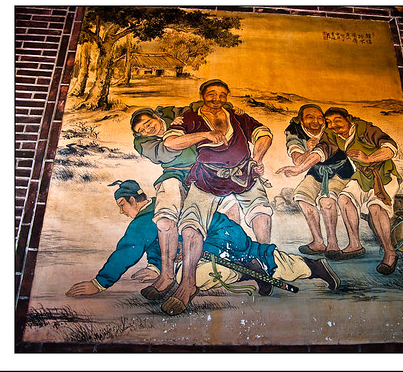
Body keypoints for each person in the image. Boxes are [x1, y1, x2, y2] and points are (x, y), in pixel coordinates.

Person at [65, 180, 341, 310]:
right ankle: (249, 268)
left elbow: (128, 250)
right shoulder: (153, 216)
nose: (120, 211)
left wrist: (100, 283)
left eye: (121, 205)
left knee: (210, 271)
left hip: (220, 238)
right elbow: (158, 248)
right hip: (217, 237)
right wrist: (155, 267)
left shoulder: (146, 219)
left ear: (132, 201)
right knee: (245, 258)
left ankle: (312, 267)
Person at [161, 78, 274, 314]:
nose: (217, 98)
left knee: (261, 212)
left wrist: (258, 158)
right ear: (202, 95)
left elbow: (264, 133)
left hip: (244, 175)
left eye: (222, 94)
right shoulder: (190, 118)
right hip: (207, 178)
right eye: (211, 93)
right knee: (190, 225)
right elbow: (171, 142)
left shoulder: (237, 116)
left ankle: (265, 264)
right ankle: (187, 285)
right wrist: (204, 135)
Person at [130, 104, 240, 300]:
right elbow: (167, 150)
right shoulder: (142, 143)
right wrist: (200, 134)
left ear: (156, 116)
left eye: (148, 123)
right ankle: (166, 275)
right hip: (175, 174)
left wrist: (229, 108)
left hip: (207, 171)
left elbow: (200, 105)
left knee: (223, 211)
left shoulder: (173, 112)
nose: (147, 130)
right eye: (142, 130)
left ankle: (201, 275)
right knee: (165, 218)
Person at [277, 107, 401, 275]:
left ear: (348, 118)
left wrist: (369, 158)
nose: (332, 125)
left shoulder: (364, 129)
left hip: (381, 175)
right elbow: (321, 151)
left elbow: (390, 146)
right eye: (329, 122)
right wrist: (299, 169)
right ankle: (354, 245)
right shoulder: (326, 135)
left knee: (375, 207)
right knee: (343, 199)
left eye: (337, 121)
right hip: (358, 176)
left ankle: (390, 253)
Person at [281, 104, 354, 259]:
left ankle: (333, 243)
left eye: (320, 118)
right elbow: (298, 159)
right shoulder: (293, 131)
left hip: (340, 170)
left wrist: (312, 155)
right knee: (302, 196)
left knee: (326, 201)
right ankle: (318, 242)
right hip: (316, 170)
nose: (316, 121)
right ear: (301, 119)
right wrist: (309, 150)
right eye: (310, 117)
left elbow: (325, 150)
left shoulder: (330, 128)